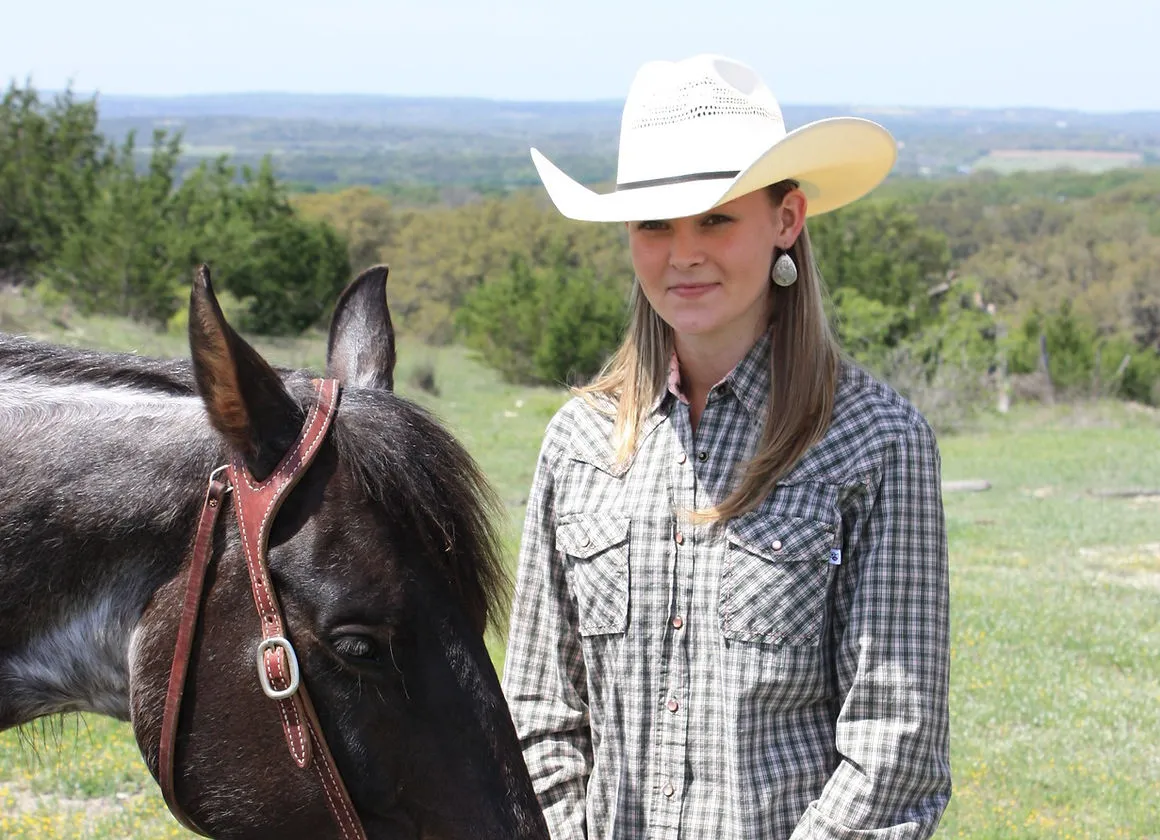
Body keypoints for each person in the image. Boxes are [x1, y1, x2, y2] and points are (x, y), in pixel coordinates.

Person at [501, 54, 951, 840]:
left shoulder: (876, 443)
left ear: (787, 220)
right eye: (654, 225)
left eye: (716, 218)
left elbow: (895, 750)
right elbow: (541, 713)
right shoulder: (579, 444)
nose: (684, 253)